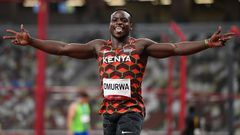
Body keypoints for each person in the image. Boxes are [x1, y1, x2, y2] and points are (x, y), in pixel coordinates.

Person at [3, 9, 236, 135]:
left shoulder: (140, 46)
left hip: (131, 111)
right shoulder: (98, 47)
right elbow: (63, 48)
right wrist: (32, 41)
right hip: (108, 113)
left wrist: (206, 43)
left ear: (130, 26)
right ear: (109, 25)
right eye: (115, 19)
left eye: (124, 20)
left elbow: (175, 48)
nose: (119, 23)